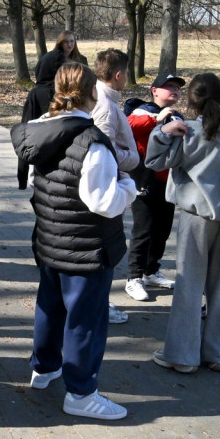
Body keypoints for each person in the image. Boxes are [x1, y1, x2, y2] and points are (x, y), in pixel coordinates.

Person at [11, 62, 137, 420]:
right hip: (85, 247)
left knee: (50, 306)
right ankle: (81, 393)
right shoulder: (92, 143)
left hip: (51, 239)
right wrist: (128, 188)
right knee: (86, 319)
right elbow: (102, 202)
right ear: (93, 93)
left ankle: (45, 367)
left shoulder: (39, 132)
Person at [146, 72, 220, 373]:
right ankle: (218, 354)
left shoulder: (189, 130)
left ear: (194, 102)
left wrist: (163, 132)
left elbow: (155, 163)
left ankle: (182, 356)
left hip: (196, 215)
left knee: (188, 286)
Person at [124, 73, 185, 302]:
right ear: (154, 90)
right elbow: (131, 125)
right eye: (168, 87)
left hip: (168, 182)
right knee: (143, 230)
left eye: (178, 88)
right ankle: (134, 277)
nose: (174, 91)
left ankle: (151, 271)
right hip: (145, 180)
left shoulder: (176, 115)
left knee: (162, 230)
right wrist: (157, 119)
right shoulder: (142, 111)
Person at [90, 48, 140, 324]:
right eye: (127, 74)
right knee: (103, 250)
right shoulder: (106, 107)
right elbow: (100, 150)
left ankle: (98, 301)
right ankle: (99, 304)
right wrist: (132, 157)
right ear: (118, 75)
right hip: (106, 191)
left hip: (107, 187)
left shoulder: (103, 98)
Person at [18, 31, 87, 189]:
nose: (70, 44)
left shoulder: (79, 60)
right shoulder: (54, 59)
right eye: (66, 42)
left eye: (72, 41)